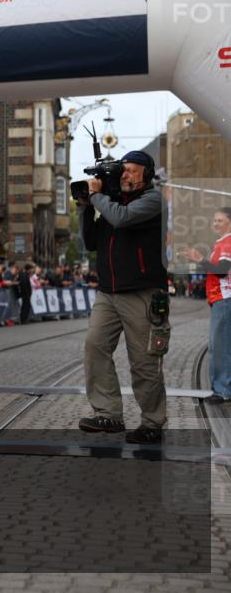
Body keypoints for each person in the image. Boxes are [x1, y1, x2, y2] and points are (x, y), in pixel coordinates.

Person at [77, 150, 168, 443]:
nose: (125, 174)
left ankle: (152, 421)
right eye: (123, 170)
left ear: (147, 173)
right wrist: (84, 208)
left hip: (142, 292)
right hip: (108, 292)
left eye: (131, 170)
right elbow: (91, 241)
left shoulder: (153, 200)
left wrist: (97, 198)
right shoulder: (112, 203)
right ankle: (109, 414)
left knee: (143, 361)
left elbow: (122, 219)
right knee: (95, 347)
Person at [181, 207, 231, 404]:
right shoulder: (221, 242)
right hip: (220, 299)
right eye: (214, 220)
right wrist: (200, 261)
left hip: (224, 298)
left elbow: (222, 270)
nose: (215, 223)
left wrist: (200, 259)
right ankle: (220, 388)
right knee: (218, 345)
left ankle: (223, 390)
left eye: (220, 220)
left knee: (220, 346)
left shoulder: (227, 242)